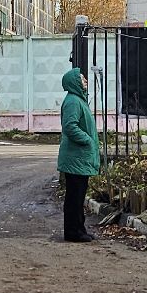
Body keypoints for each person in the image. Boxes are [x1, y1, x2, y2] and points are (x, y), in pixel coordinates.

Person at [58, 67, 101, 242]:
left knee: (78, 196)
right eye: (82, 79)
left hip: (78, 157)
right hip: (75, 157)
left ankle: (79, 229)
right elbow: (70, 126)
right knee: (74, 197)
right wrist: (88, 140)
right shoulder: (73, 101)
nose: (85, 81)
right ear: (74, 82)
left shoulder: (78, 100)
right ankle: (73, 232)